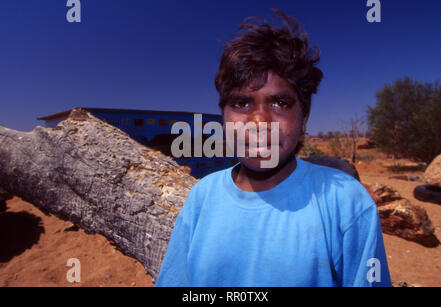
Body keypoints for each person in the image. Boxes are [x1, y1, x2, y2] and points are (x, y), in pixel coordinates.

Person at [155, 9, 391, 287]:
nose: (259, 121)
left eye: (280, 103)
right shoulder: (201, 197)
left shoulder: (347, 203)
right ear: (224, 117)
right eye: (241, 103)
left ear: (304, 118)